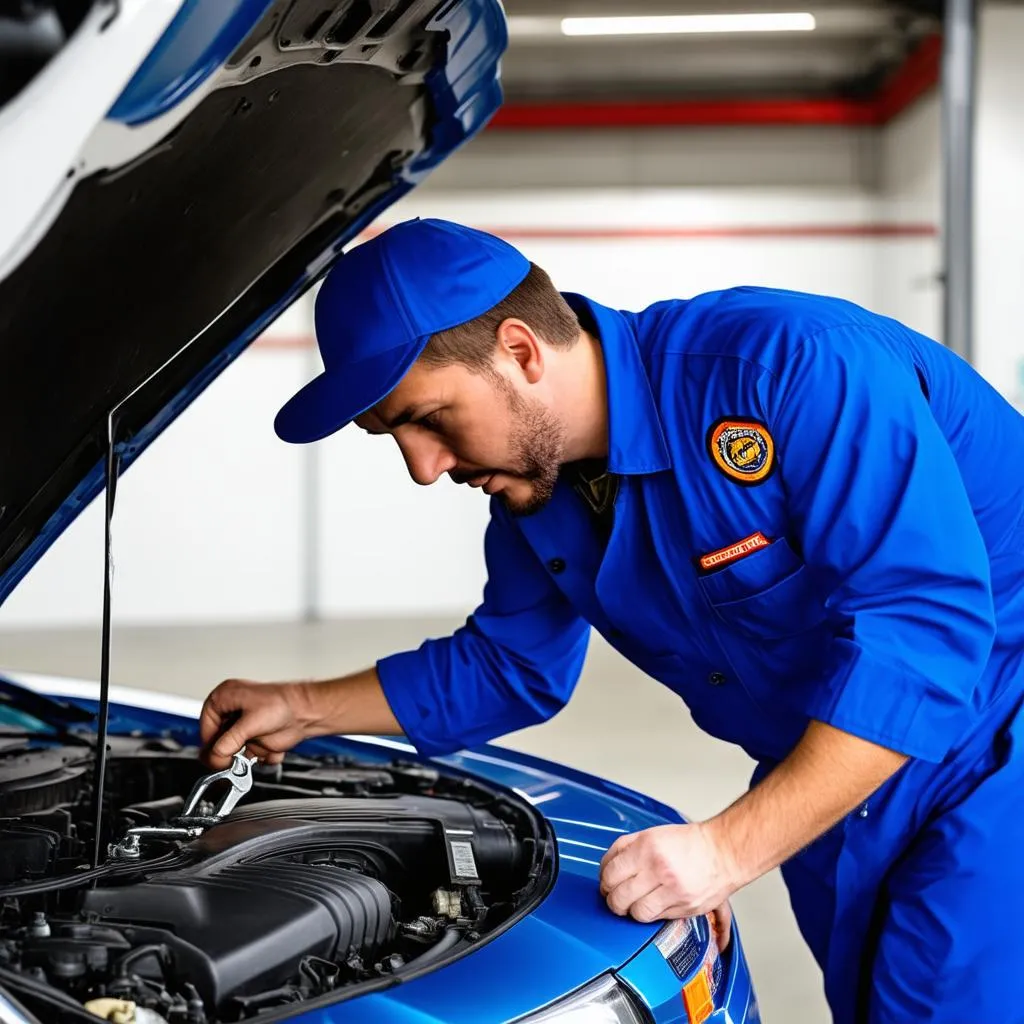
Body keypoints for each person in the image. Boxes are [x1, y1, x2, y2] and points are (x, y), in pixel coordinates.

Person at [199, 218, 1024, 1023]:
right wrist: (301, 706)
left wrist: (726, 851)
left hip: (993, 741)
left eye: (430, 418)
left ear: (520, 351)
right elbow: (509, 668)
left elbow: (923, 633)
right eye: (392, 437)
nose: (423, 469)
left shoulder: (788, 368)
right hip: (829, 764)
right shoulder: (539, 496)